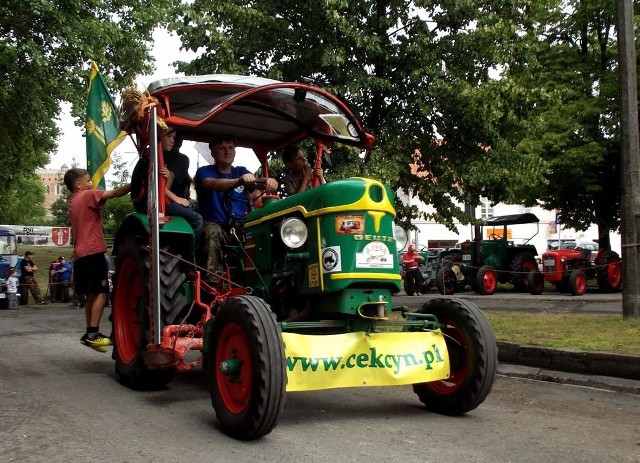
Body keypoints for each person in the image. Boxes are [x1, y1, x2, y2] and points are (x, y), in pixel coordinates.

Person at [64, 167, 131, 352]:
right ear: (78, 184)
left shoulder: (73, 201)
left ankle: (89, 334)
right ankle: (93, 334)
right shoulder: (87, 195)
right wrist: (136, 182)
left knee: (92, 294)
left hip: (80, 255)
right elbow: (116, 193)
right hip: (93, 252)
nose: (91, 183)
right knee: (102, 292)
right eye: (88, 180)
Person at [195, 135, 278, 278]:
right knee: (211, 232)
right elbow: (213, 184)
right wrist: (238, 181)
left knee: (262, 232)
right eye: (222, 148)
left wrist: (269, 181)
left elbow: (256, 181)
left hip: (241, 225)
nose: (227, 152)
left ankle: (264, 276)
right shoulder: (204, 171)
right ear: (213, 153)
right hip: (217, 224)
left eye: (231, 148)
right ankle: (214, 280)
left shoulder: (241, 170)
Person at [164, 130, 203, 250]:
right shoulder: (180, 159)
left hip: (174, 200)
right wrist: (177, 199)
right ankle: (192, 258)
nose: (174, 141)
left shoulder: (163, 156)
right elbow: (166, 186)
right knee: (198, 219)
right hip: (168, 202)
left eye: (175, 137)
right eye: (170, 137)